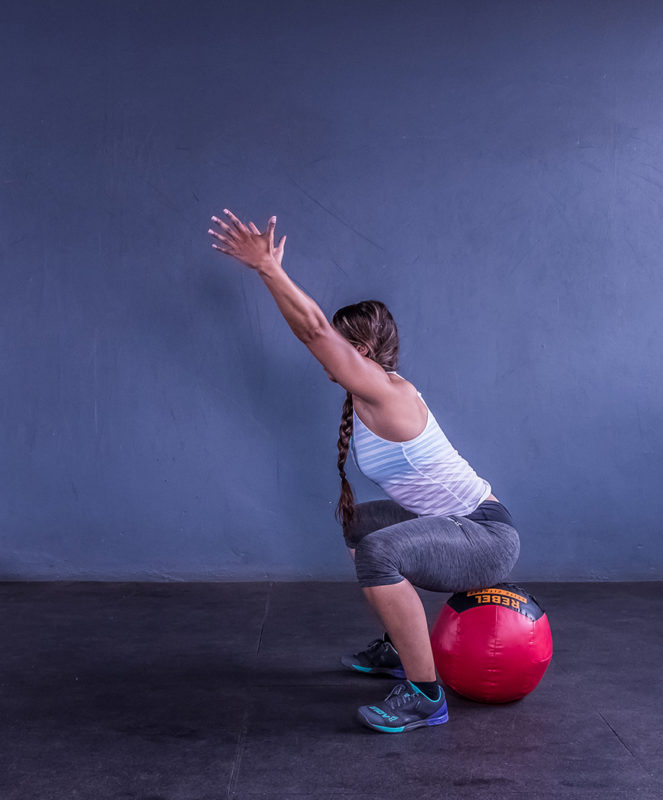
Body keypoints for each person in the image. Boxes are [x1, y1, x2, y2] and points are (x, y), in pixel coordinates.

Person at [209, 210, 520, 734]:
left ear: (361, 353)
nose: (324, 350)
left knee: (380, 551)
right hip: (456, 525)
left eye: (337, 343)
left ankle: (425, 694)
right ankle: (401, 648)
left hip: (485, 538)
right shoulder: (368, 392)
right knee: (361, 523)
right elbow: (312, 333)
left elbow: (310, 330)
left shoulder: (387, 391)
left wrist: (267, 269)